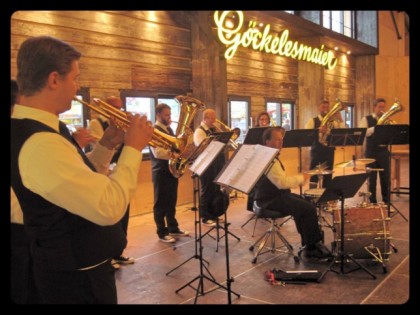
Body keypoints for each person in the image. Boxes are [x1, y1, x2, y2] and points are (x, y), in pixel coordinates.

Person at [11, 36, 153, 304]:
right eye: (75, 78)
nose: (77, 88)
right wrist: (134, 148)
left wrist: (109, 144)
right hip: (75, 281)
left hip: (79, 270)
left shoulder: (49, 129)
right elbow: (108, 206)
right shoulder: (39, 143)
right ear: (54, 80)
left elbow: (84, 183)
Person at [253, 127, 331, 259]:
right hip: (269, 200)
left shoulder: (269, 155)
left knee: (305, 203)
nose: (281, 143)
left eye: (282, 140)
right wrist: (303, 177)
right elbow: (282, 183)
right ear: (267, 142)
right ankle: (312, 247)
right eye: (277, 140)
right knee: (308, 208)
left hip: (274, 195)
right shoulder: (269, 160)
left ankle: (309, 243)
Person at [88, 96, 135, 268]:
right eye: (115, 107)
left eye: (120, 108)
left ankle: (118, 251)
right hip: (103, 173)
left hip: (117, 169)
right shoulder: (96, 123)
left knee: (123, 213)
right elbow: (100, 145)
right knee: (110, 215)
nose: (119, 111)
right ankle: (108, 256)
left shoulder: (121, 122)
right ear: (107, 107)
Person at [150, 103, 189, 243]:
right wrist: (174, 154)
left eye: (170, 114)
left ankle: (173, 227)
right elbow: (158, 153)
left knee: (171, 201)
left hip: (171, 170)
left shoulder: (170, 129)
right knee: (160, 203)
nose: (169, 117)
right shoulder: (154, 130)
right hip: (160, 171)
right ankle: (162, 232)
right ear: (158, 115)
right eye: (166, 115)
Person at [193, 109, 226, 226]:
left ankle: (214, 214)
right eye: (212, 118)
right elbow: (202, 147)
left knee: (216, 190)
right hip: (206, 165)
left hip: (216, 164)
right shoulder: (199, 132)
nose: (214, 120)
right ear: (205, 118)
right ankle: (205, 217)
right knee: (207, 190)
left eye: (214, 118)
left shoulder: (214, 129)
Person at [305, 99, 345, 188]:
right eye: (323, 107)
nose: (325, 109)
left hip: (329, 151)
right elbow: (306, 133)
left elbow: (342, 132)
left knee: (328, 175)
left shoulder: (334, 122)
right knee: (314, 175)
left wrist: (340, 119)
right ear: (318, 108)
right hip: (317, 151)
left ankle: (325, 198)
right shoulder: (312, 120)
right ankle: (312, 197)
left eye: (327, 107)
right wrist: (318, 130)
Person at [359, 98, 390, 204]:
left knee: (385, 178)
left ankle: (386, 201)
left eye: (383, 107)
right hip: (371, 152)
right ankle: (373, 202)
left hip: (384, 152)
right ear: (374, 107)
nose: (382, 109)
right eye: (379, 107)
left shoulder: (387, 119)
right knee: (372, 180)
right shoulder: (366, 119)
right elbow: (363, 133)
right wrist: (375, 128)